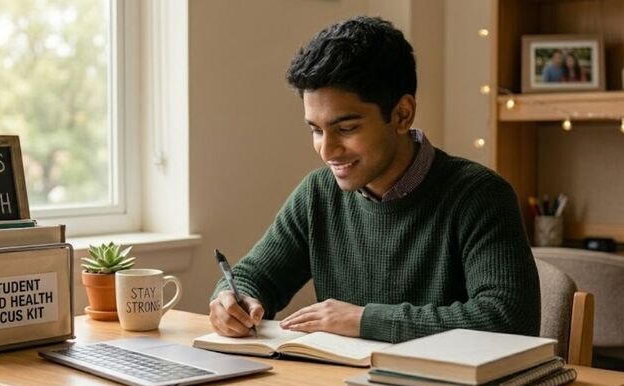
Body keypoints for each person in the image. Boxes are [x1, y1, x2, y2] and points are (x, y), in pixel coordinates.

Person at [208, 16, 540, 343]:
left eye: (346, 128)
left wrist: (365, 319)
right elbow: (253, 276)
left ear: (401, 115)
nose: (328, 150)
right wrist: (232, 300)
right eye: (315, 130)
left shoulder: (480, 195)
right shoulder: (317, 194)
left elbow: (507, 319)